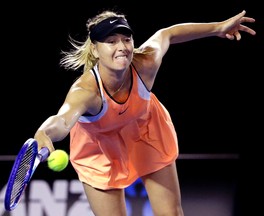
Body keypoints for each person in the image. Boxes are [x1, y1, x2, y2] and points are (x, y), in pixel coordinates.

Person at [34, 9, 256, 216]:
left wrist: (218, 28)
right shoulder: (86, 91)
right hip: (99, 149)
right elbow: (62, 121)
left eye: (126, 39)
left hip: (145, 132)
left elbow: (168, 34)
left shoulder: (145, 63)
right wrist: (44, 133)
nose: (121, 47)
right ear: (95, 49)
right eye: (111, 42)